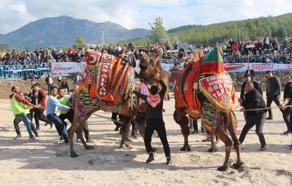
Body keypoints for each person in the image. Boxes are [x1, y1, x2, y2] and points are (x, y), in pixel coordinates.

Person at [134, 74, 171, 165]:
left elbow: (138, 94)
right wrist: (159, 79)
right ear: (157, 91)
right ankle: (168, 157)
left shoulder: (147, 98)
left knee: (147, 139)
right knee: (164, 140)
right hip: (159, 122)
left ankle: (150, 154)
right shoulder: (160, 97)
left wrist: (134, 90)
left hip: (150, 123)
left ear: (149, 91)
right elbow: (165, 87)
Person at [238, 82, 267, 151]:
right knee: (244, 130)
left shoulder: (255, 93)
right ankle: (238, 144)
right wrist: (242, 102)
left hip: (260, 115)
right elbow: (247, 104)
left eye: (245, 87)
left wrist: (245, 108)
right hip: (252, 115)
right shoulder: (247, 93)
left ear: (250, 87)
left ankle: (263, 145)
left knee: (258, 131)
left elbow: (255, 105)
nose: (244, 88)